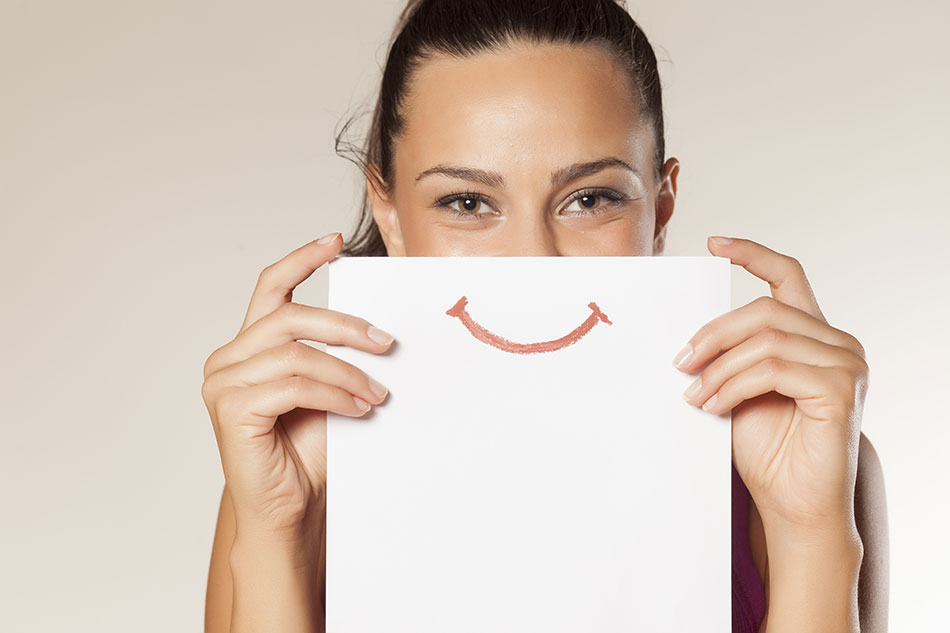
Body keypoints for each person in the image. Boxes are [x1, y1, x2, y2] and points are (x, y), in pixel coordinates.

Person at [201, 1, 889, 631]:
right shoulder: (301, 465)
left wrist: (809, 531)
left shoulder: (792, 453)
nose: (533, 260)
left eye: (590, 199)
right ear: (391, 214)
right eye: (467, 202)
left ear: (661, 209)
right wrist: (274, 529)